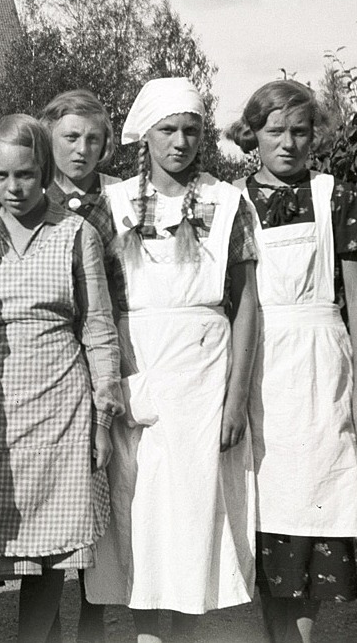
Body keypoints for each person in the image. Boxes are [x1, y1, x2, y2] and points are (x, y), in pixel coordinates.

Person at [85, 77, 259, 643]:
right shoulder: (109, 206)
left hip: (204, 378)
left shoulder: (230, 202)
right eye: (168, 130)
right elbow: (97, 303)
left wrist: (235, 399)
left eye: (191, 130)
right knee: (140, 516)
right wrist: (114, 383)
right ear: (147, 137)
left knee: (192, 516)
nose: (180, 142)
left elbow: (247, 306)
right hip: (137, 370)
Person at [227, 80, 357, 643]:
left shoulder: (335, 196)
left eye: (301, 131)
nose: (288, 142)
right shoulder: (231, 201)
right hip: (255, 366)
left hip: (321, 366)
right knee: (267, 512)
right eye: (275, 131)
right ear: (253, 134)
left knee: (316, 504)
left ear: (315, 136)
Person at [0, 114, 121, 643]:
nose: (14, 187)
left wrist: (103, 414)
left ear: (44, 170)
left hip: (62, 407)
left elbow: (98, 326)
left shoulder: (76, 233)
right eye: (1, 176)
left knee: (50, 549)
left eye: (25, 174)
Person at [39, 90, 121, 643]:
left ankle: (93, 628)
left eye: (92, 139)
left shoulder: (119, 202)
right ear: (49, 138)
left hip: (108, 347)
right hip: (48, 362)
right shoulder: (30, 193)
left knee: (100, 503)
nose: (81, 149)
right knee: (48, 508)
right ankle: (44, 630)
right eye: (70, 137)